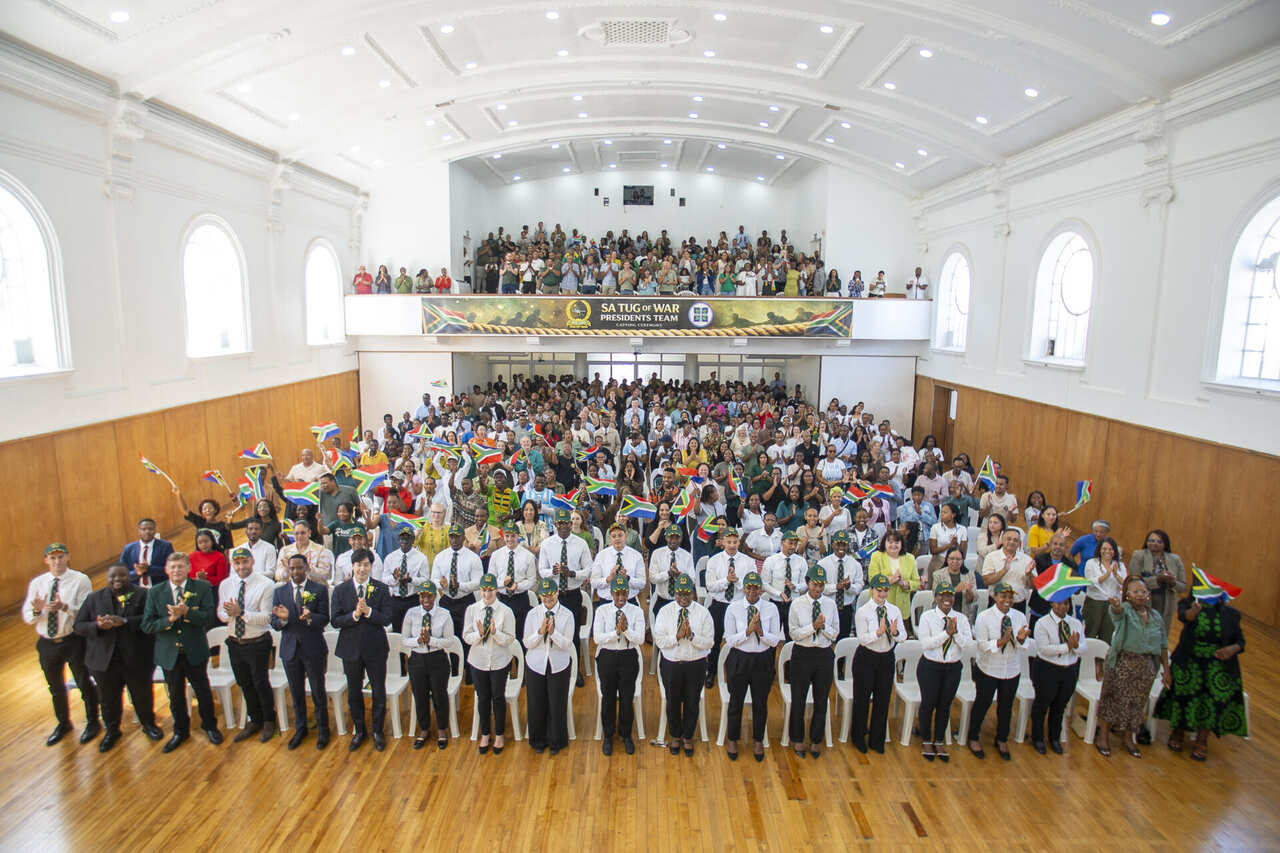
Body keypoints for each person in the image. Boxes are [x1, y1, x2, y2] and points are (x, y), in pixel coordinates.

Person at [73, 563, 161, 751]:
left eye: (122, 576)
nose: (117, 580)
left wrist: (126, 621)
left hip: (136, 658)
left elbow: (151, 621)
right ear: (107, 578)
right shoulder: (94, 598)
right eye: (113, 576)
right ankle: (112, 730)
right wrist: (97, 626)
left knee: (142, 694)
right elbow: (78, 626)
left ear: (129, 577)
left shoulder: (142, 595)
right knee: (108, 698)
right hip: (104, 660)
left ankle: (149, 725)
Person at [142, 551, 223, 753]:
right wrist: (169, 620)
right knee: (175, 694)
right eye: (173, 567)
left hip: (195, 649)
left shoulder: (202, 587)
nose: (176, 570)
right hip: (169, 653)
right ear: (166, 570)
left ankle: (210, 726)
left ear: (188, 568)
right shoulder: (155, 592)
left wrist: (187, 613)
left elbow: (208, 618)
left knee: (203, 690)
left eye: (180, 566)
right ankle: (180, 731)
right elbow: (147, 625)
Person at [1155, 587, 1248, 760]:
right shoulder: (1189, 605)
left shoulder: (1231, 614)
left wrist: (1232, 649)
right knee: (1184, 692)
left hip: (1217, 662)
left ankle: (1202, 739)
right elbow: (1184, 617)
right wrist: (1193, 611)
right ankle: (1178, 732)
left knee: (1214, 697)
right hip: (1189, 659)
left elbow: (1240, 641)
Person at [23, 542, 100, 747]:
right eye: (52, 558)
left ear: (68, 557)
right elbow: (29, 616)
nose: (57, 561)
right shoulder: (38, 583)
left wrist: (64, 607)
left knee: (84, 682)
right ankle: (63, 723)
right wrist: (39, 611)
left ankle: (93, 721)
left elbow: (86, 612)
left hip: (73, 640)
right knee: (55, 686)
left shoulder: (80, 580)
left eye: (60, 557)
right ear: (46, 560)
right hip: (47, 643)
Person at [1095, 576, 1170, 758]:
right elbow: (1117, 613)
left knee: (1136, 704)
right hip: (1121, 663)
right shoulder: (1125, 610)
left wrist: (1166, 670)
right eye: (1135, 591)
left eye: (1143, 591)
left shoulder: (1155, 616)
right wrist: (1115, 605)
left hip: (1145, 667)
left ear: (1148, 595)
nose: (1140, 595)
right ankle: (1103, 736)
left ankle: (1128, 738)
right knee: (1112, 700)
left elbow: (1163, 644)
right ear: (1127, 595)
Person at [331, 548, 393, 751]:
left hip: (375, 648)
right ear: (352, 566)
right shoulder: (341, 590)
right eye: (358, 565)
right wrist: (355, 615)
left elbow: (387, 618)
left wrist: (369, 612)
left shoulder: (381, 588)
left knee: (378, 691)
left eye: (366, 565)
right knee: (354, 692)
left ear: (371, 567)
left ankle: (377, 731)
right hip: (350, 648)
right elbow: (335, 620)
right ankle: (359, 730)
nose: (362, 569)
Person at [217, 547, 277, 743]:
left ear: (252, 561)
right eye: (237, 563)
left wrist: (241, 613)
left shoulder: (266, 584)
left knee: (260, 682)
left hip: (257, 642)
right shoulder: (226, 584)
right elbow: (220, 613)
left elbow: (266, 618)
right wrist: (228, 614)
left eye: (245, 562)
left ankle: (269, 719)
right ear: (232, 564)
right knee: (244, 682)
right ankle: (254, 718)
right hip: (235, 641)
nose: (241, 566)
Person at [270, 554, 330, 750]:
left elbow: (325, 618)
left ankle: (323, 730)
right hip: (290, 649)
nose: (295, 572)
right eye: (292, 568)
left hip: (313, 648)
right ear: (288, 569)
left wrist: (310, 618)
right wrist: (283, 620)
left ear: (306, 568)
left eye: (299, 568)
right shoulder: (280, 592)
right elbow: (274, 622)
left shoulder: (319, 589)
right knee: (296, 693)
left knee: (318, 692)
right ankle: (301, 728)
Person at [966, 582, 1030, 760]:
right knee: (982, 703)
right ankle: (973, 736)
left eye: (1010, 597)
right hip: (988, 668)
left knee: (1006, 706)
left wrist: (1020, 639)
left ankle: (1002, 738)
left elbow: (1024, 644)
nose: (1007, 600)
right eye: (1003, 596)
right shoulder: (984, 617)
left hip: (1011, 669)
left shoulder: (1019, 617)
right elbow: (982, 645)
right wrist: (1000, 642)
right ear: (995, 597)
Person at [653, 573, 714, 756]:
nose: (683, 598)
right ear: (675, 594)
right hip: (672, 664)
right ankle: (675, 735)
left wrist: (692, 637)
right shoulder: (665, 612)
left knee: (692, 701)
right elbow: (660, 641)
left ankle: (688, 736)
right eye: (679, 594)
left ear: (693, 593)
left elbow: (709, 642)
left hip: (695, 665)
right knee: (672, 701)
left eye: (687, 594)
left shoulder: (703, 613)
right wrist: (677, 636)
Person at [721, 571, 779, 762]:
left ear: (761, 590)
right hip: (740, 659)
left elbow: (774, 640)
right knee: (736, 701)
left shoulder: (771, 609)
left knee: (760, 702)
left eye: (755, 588)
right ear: (743, 588)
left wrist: (760, 632)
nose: (752, 592)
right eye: (748, 588)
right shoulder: (734, 608)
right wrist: (747, 631)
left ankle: (758, 740)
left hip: (762, 660)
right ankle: (732, 738)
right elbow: (730, 640)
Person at [915, 579, 972, 761]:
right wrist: (946, 633)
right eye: (943, 595)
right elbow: (926, 644)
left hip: (952, 668)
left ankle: (938, 740)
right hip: (930, 667)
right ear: (936, 597)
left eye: (950, 595)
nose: (947, 599)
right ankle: (926, 739)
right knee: (928, 703)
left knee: (945, 705)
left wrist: (955, 633)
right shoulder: (927, 617)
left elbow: (967, 645)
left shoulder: (961, 619)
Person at [850, 573, 907, 754]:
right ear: (871, 590)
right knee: (862, 700)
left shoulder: (894, 610)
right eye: (879, 591)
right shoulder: (863, 611)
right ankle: (858, 737)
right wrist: (878, 632)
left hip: (886, 658)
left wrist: (894, 633)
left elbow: (903, 636)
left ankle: (877, 740)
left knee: (882, 701)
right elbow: (862, 639)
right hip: (866, 659)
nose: (882, 594)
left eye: (885, 591)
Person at [538, 508, 593, 687]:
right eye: (559, 523)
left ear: (570, 524)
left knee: (573, 633)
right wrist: (552, 572)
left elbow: (588, 569)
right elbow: (542, 570)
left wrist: (572, 573)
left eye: (566, 523)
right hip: (553, 597)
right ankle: (554, 666)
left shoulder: (581, 544)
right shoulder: (547, 544)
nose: (563, 526)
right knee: (553, 630)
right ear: (555, 524)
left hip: (572, 594)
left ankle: (574, 669)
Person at [787, 565, 838, 758]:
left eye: (821, 585)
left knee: (821, 699)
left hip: (823, 654)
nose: (818, 589)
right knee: (798, 698)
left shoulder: (830, 604)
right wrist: (813, 627)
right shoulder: (797, 604)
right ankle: (797, 738)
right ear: (808, 583)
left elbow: (835, 632)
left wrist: (823, 628)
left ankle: (816, 739)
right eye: (814, 585)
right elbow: (793, 634)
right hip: (803, 654)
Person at [463, 573, 516, 754]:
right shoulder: (472, 609)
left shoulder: (505, 611)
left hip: (499, 661)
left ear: (496, 590)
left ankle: (499, 734)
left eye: (491, 590)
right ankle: (485, 733)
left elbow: (510, 638)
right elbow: (466, 636)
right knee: (483, 697)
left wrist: (495, 633)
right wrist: (479, 634)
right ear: (480, 591)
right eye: (484, 590)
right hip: (478, 661)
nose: (487, 594)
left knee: (498, 697)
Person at [592, 574, 645, 755]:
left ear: (628, 593)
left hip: (628, 656)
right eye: (617, 593)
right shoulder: (602, 611)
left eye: (624, 593)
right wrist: (616, 633)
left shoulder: (636, 611)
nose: (621, 597)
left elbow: (640, 639)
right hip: (607, 656)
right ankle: (608, 734)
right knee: (608, 697)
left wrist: (626, 630)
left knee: (626, 697)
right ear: (611, 593)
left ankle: (626, 733)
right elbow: (597, 638)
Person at [523, 577, 575, 754]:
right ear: (540, 596)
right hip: (536, 663)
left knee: (557, 703)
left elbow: (567, 644)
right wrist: (540, 632)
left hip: (558, 664)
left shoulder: (567, 615)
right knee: (536, 703)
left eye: (551, 595)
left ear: (557, 593)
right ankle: (537, 740)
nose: (548, 599)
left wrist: (553, 633)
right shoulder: (532, 614)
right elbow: (527, 642)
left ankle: (556, 741)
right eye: (544, 596)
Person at [402, 580, 454, 749]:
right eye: (422, 596)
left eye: (429, 596)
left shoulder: (444, 614)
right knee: (420, 695)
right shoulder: (411, 613)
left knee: (439, 695)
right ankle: (424, 729)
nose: (425, 600)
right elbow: (404, 639)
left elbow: (449, 641)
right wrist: (418, 641)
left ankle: (441, 729)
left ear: (435, 596)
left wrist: (431, 640)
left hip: (437, 659)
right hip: (417, 659)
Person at [1029, 594, 1083, 755]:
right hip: (1047, 668)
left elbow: (1083, 646)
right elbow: (1044, 649)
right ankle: (1037, 737)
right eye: (1059, 603)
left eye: (1066, 603)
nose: (1062, 607)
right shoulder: (1042, 623)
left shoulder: (1075, 623)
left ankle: (1054, 737)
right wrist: (1068, 647)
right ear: (1052, 603)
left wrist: (1076, 646)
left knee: (1060, 706)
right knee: (1042, 704)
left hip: (1069, 669)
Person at [704, 526, 749, 689]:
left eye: (734, 542)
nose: (731, 545)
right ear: (723, 542)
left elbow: (750, 586)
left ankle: (735, 672)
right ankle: (711, 671)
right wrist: (726, 580)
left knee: (738, 639)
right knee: (714, 640)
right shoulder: (714, 561)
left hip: (738, 606)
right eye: (728, 542)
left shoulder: (747, 561)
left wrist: (736, 581)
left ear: (739, 542)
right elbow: (710, 586)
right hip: (719, 605)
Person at [1129, 529, 1186, 631]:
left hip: (1167, 602)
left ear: (1165, 544)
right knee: (1142, 631)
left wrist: (1172, 582)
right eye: (1151, 540)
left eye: (1159, 541)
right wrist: (1157, 580)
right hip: (1144, 600)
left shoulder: (1175, 559)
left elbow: (1183, 587)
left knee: (1161, 632)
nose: (1154, 543)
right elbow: (1134, 581)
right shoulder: (1138, 555)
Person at [490, 522, 537, 639]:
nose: (510, 539)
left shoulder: (528, 556)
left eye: (513, 536)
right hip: (501, 599)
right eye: (507, 536)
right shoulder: (496, 555)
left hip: (520, 600)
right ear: (503, 536)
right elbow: (491, 579)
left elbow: (532, 580)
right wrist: (503, 583)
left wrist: (517, 586)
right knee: (502, 634)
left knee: (520, 634)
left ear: (518, 536)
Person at [818, 529, 864, 638]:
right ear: (832, 544)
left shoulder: (855, 564)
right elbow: (819, 588)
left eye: (844, 544)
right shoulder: (823, 564)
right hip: (827, 607)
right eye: (838, 544)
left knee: (843, 638)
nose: (841, 547)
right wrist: (836, 587)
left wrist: (849, 587)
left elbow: (859, 586)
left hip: (846, 608)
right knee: (826, 637)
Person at [868, 530, 920, 623]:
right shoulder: (876, 556)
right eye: (890, 542)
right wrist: (891, 580)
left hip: (902, 606)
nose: (893, 545)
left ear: (901, 543)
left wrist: (904, 583)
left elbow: (917, 583)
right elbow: (872, 580)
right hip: (880, 603)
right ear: (884, 543)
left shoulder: (910, 558)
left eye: (896, 542)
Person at [386, 528, 431, 632]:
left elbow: (425, 580)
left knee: (413, 630)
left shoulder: (421, 558)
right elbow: (384, 579)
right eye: (402, 538)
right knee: (397, 631)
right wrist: (394, 578)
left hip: (413, 599)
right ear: (398, 540)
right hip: (396, 600)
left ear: (413, 540)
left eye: (407, 538)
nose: (404, 541)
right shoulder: (390, 557)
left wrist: (411, 580)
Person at [589, 522, 646, 603]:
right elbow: (593, 582)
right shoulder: (601, 556)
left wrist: (627, 578)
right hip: (607, 601)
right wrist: (608, 579)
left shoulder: (636, 556)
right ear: (610, 538)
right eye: (614, 536)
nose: (617, 539)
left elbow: (642, 583)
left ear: (626, 536)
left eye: (620, 535)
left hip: (629, 601)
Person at [981, 528, 1035, 612]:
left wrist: (1029, 574)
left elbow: (1033, 586)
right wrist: (1004, 571)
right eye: (1008, 539)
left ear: (1019, 543)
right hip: (996, 603)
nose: (1012, 542)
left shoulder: (1027, 560)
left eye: (1015, 540)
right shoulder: (991, 557)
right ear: (1002, 540)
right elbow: (986, 581)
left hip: (1018, 605)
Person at [1083, 536, 1126, 640]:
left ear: (1114, 551)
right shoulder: (1091, 563)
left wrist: (1116, 575)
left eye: (1111, 549)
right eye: (1104, 549)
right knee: (1091, 633)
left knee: (1108, 636)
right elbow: (1089, 582)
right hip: (1094, 603)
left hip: (1112, 604)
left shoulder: (1120, 565)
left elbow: (1125, 584)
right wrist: (1106, 575)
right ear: (1099, 549)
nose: (1107, 551)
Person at [649, 523, 693, 614]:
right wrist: (668, 574)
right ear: (666, 537)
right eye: (671, 537)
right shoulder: (657, 554)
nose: (674, 540)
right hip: (662, 600)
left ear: (681, 538)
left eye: (677, 537)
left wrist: (680, 576)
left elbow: (693, 580)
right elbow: (652, 578)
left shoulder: (687, 556)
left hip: (681, 602)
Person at [120, 518, 173, 587]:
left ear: (155, 531)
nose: (147, 532)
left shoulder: (165, 546)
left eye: (150, 529)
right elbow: (121, 574)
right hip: (136, 589)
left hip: (159, 587)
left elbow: (171, 569)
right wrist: (137, 572)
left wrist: (149, 569)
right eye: (143, 529)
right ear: (139, 531)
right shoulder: (128, 549)